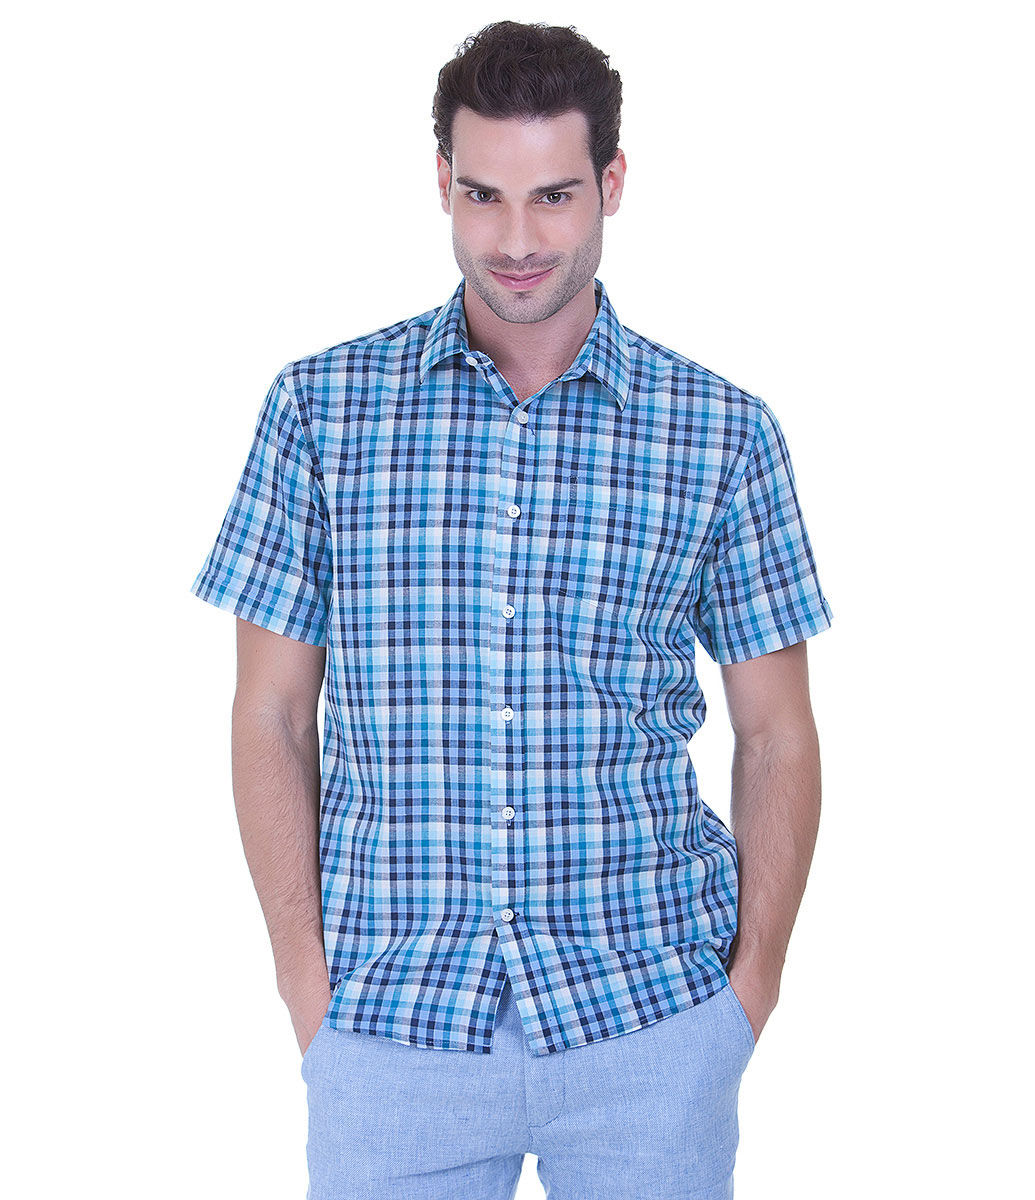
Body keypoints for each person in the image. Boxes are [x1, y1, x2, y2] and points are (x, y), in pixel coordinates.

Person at [190, 19, 834, 1200]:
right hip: (390, 1026)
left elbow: (777, 732)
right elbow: (270, 714)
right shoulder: (322, 412)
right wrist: (303, 984)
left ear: (612, 183)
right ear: (441, 180)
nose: (519, 240)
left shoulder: (721, 434)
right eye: (483, 195)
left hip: (649, 1018)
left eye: (554, 196)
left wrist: (750, 991)